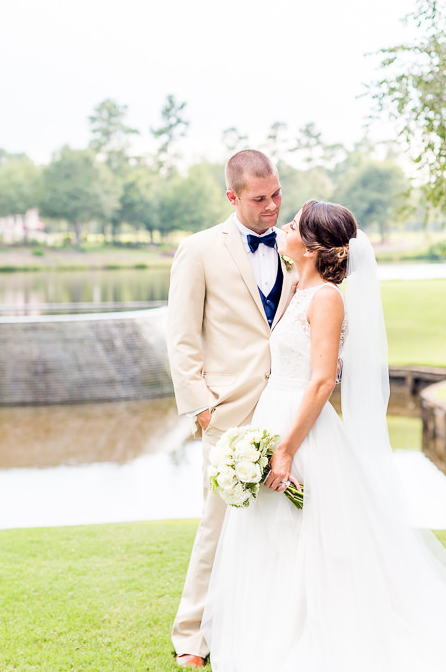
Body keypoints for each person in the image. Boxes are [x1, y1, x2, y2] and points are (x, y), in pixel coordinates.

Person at [201, 200, 446, 671]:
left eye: (292, 225)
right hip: (274, 415)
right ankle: (277, 636)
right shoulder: (299, 292)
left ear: (309, 247)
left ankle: (321, 640)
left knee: (314, 539)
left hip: (301, 432)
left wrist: (284, 449)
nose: (283, 228)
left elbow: (323, 381)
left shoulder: (326, 298)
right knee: (279, 535)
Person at [165, 149, 296, 669]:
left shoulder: (292, 246)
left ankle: (274, 622)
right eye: (260, 199)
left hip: (284, 407)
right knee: (217, 523)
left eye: (277, 194)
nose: (272, 207)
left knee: (286, 518)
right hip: (227, 410)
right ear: (232, 196)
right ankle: (192, 637)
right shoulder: (198, 250)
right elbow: (180, 336)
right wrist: (200, 405)